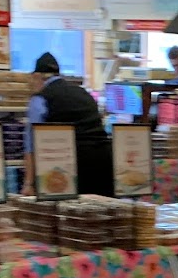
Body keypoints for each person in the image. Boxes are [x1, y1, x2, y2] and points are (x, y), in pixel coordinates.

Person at [22, 51, 113, 196]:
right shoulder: (83, 93)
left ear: (37, 76)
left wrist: (28, 183)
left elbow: (31, 145)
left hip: (70, 167)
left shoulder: (40, 99)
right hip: (104, 162)